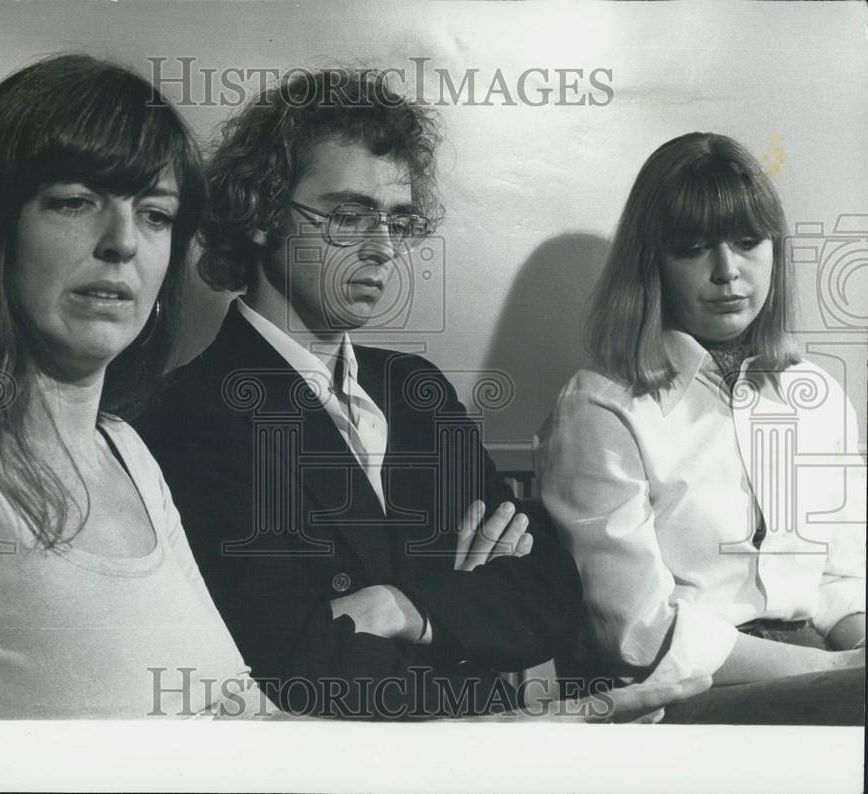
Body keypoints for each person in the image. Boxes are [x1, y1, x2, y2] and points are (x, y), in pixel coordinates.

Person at [135, 68, 708, 720]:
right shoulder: (191, 414)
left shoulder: (414, 388)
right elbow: (293, 664)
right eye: (349, 216)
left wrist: (400, 607)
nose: (382, 249)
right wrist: (476, 632)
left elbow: (549, 601)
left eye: (398, 220)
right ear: (263, 216)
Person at [0, 54, 267, 719]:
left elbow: (240, 708)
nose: (122, 242)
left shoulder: (127, 452)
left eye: (156, 215)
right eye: (75, 202)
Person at [538, 132, 865, 724]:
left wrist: (856, 656)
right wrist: (841, 676)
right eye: (693, 247)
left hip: (829, 672)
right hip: (685, 689)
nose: (727, 272)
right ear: (652, 261)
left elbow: (843, 578)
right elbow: (639, 635)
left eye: (748, 242)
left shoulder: (816, 394)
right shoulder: (601, 405)